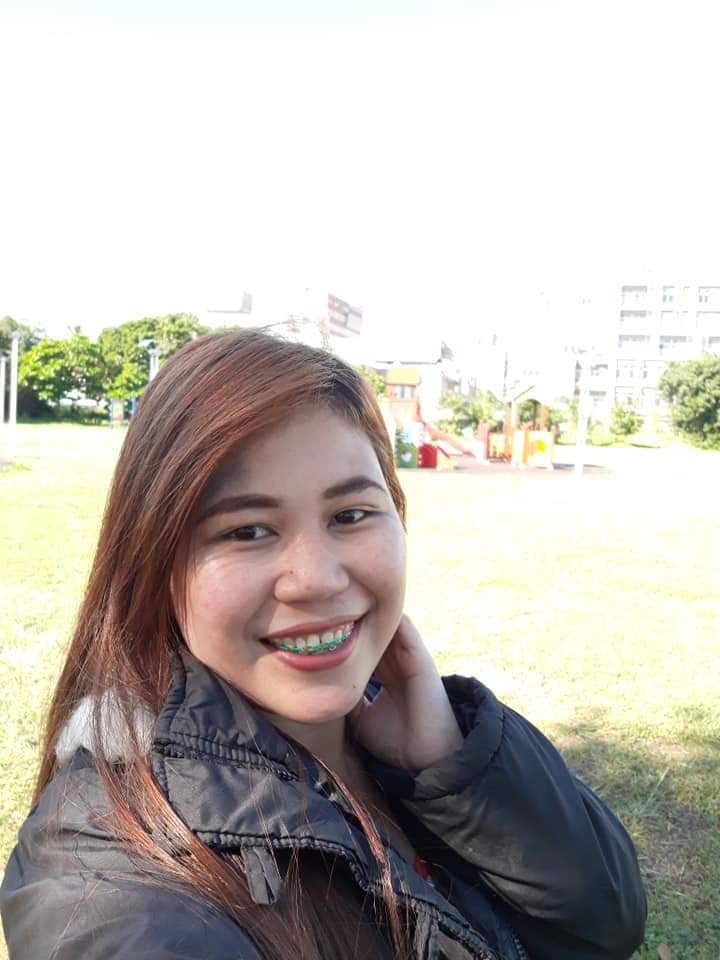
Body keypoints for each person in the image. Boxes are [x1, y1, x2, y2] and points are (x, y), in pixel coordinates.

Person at [0, 330, 647, 960]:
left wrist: (449, 766)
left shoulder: (420, 742)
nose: (317, 579)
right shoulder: (104, 875)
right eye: (247, 530)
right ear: (156, 560)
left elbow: (606, 924)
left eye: (350, 515)